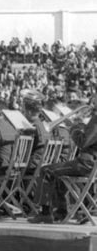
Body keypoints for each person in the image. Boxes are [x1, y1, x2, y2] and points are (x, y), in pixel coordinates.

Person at [29, 95, 97, 224]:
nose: (93, 101)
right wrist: (81, 126)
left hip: (86, 163)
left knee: (46, 170)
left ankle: (45, 212)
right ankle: (61, 211)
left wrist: (74, 127)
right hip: (91, 164)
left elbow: (83, 142)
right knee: (58, 173)